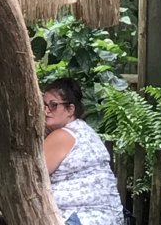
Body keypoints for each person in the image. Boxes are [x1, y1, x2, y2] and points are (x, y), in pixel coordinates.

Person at [43, 78, 124, 225]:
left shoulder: (62, 136)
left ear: (70, 110)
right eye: (44, 105)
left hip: (80, 219)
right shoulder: (86, 131)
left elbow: (31, 176)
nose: (46, 110)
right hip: (109, 218)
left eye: (53, 105)